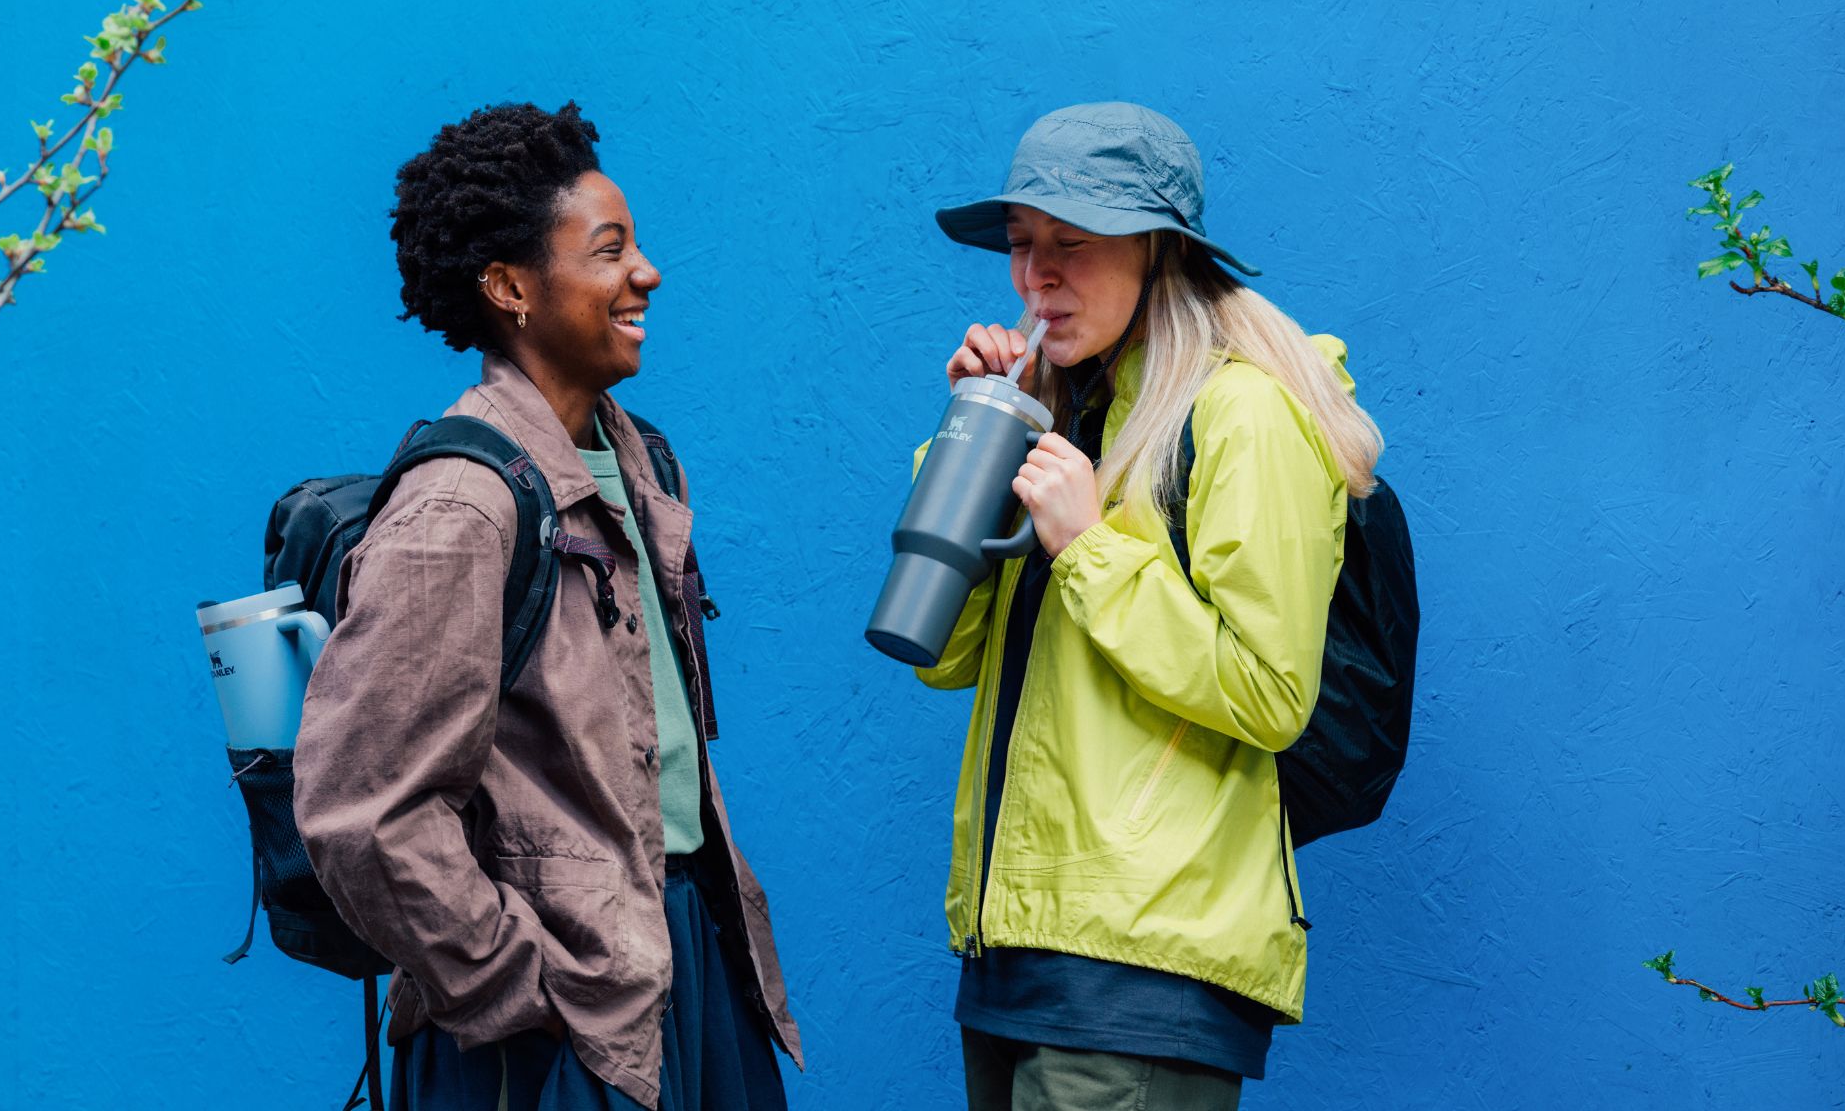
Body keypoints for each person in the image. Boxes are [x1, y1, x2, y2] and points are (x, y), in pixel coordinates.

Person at [293, 101, 800, 1111]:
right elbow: (363, 810)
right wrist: (523, 982)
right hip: (552, 1026)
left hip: (692, 956)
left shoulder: (645, 459)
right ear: (510, 286)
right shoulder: (460, 505)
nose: (645, 272)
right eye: (609, 251)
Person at [916, 102, 1384, 1110]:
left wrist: (1090, 546)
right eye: (1021, 243)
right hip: (1017, 946)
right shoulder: (1076, 411)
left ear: (1160, 252)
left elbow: (1269, 691)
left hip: (1143, 959)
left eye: (1072, 245)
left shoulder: (1244, 413)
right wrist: (975, 443)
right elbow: (939, 651)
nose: (1035, 275)